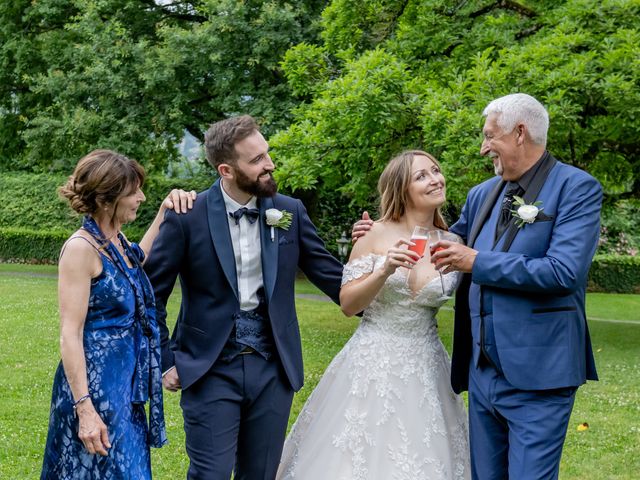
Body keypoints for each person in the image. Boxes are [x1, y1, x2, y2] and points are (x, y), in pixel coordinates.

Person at [354, 93, 602, 479]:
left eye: (490, 136)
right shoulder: (482, 193)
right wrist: (380, 233)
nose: (484, 147)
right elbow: (441, 243)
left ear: (520, 133)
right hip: (482, 373)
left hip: (539, 372)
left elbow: (563, 272)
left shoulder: (576, 188)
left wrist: (478, 262)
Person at [144, 115, 344, 479]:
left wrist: (380, 271)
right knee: (211, 474)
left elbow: (334, 278)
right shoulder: (188, 217)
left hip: (273, 367)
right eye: (256, 160)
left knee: (261, 473)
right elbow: (151, 295)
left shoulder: (289, 212)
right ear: (226, 169)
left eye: (266, 153)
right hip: (208, 367)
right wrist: (166, 359)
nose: (269, 164)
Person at [277, 150, 470, 480]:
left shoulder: (454, 241)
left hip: (427, 362)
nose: (435, 179)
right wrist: (385, 269)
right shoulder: (373, 234)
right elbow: (348, 304)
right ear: (401, 189)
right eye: (421, 176)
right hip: (373, 360)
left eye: (436, 171)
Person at [41, 149, 196, 479]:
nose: (140, 197)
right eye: (134, 191)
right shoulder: (81, 249)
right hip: (95, 389)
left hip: (125, 386)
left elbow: (135, 264)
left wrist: (164, 213)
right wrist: (84, 409)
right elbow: (70, 333)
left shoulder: (116, 241)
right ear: (108, 197)